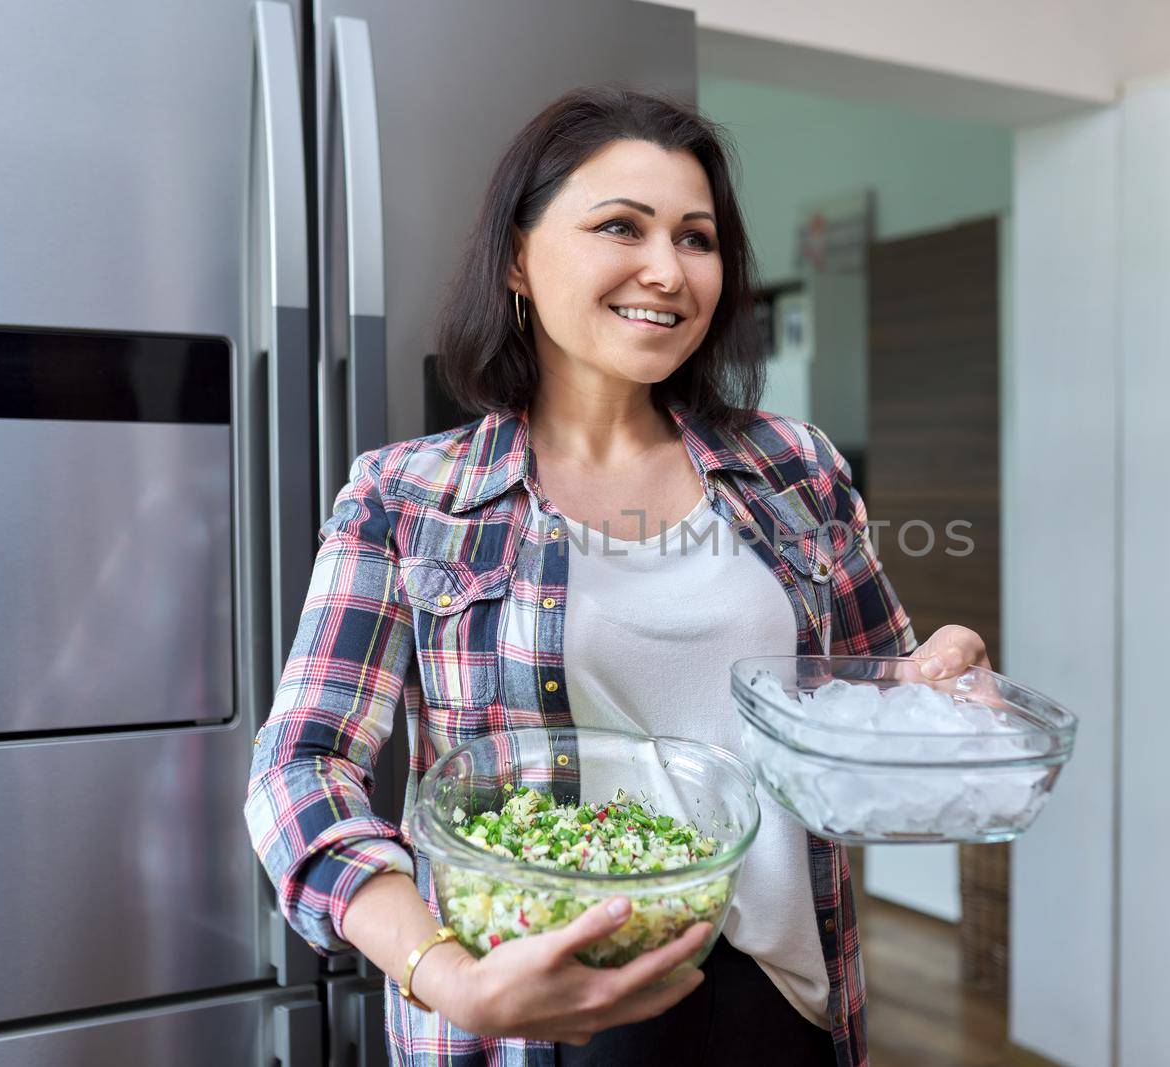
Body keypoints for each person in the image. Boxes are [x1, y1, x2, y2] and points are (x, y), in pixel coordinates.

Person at [245, 86, 990, 1067]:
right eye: (620, 227)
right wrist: (445, 971)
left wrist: (930, 678)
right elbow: (302, 764)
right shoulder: (408, 495)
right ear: (518, 257)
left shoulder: (792, 467)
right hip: (531, 1016)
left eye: (696, 237)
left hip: (783, 999)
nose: (666, 269)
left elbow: (862, 688)